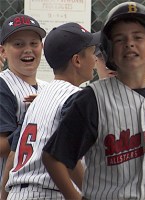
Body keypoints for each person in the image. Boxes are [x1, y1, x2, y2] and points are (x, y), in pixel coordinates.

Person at [42, 2, 145, 200]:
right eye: (119, 39)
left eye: (138, 37)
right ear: (108, 50)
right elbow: (54, 157)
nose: (129, 43)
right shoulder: (92, 99)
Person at [1, 22, 99, 200]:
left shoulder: (41, 96)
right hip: (47, 192)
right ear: (77, 60)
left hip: (18, 193)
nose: (96, 59)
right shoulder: (75, 96)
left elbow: (13, 156)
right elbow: (66, 155)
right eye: (93, 53)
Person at [0, 14, 48, 192]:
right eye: (18, 44)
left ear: (42, 47)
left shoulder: (47, 89)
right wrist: (37, 114)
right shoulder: (4, 85)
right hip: (10, 188)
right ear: (3, 51)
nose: (28, 49)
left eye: (34, 43)